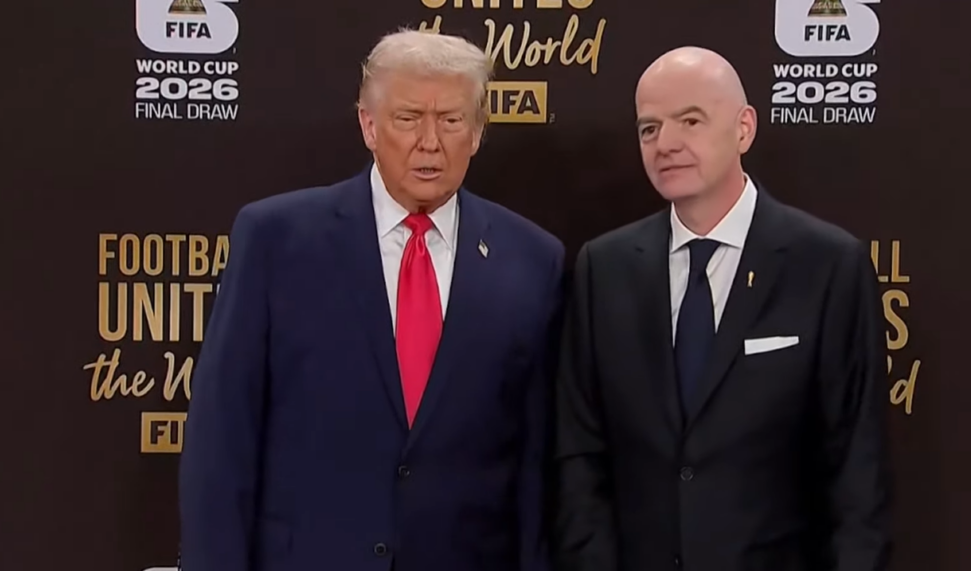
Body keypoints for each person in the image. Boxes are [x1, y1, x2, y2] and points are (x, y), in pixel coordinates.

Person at [178, 29, 564, 571]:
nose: (430, 142)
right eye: (408, 118)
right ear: (368, 125)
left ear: (477, 132)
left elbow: (536, 462)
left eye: (451, 120)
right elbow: (223, 437)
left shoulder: (533, 259)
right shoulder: (276, 240)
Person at [552, 46, 892, 571]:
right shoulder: (605, 268)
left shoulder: (827, 264)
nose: (666, 143)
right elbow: (579, 455)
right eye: (649, 128)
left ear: (744, 128)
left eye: (690, 120)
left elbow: (858, 471)